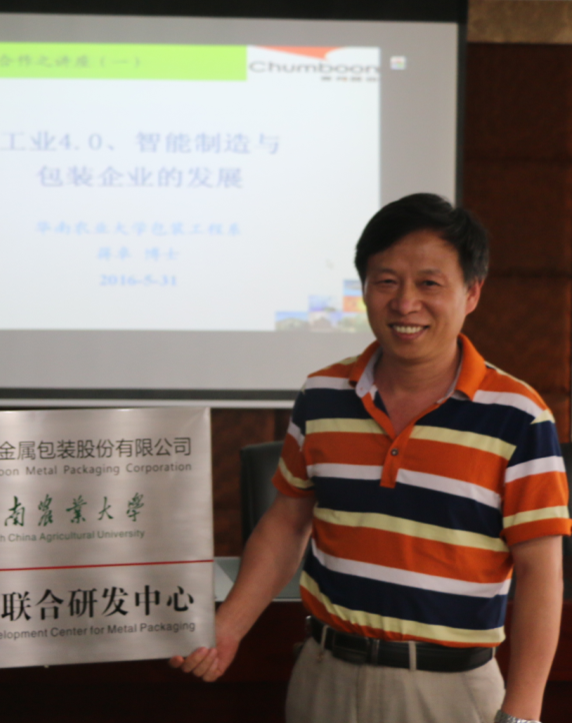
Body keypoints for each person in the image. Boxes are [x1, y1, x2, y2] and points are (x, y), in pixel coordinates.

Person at [171, 194, 570, 723]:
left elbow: (541, 570)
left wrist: (522, 713)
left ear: (472, 292)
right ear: (364, 288)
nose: (405, 303)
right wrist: (229, 627)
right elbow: (287, 523)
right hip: (324, 676)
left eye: (429, 284)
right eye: (386, 281)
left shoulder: (519, 416)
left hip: (450, 693)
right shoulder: (322, 395)